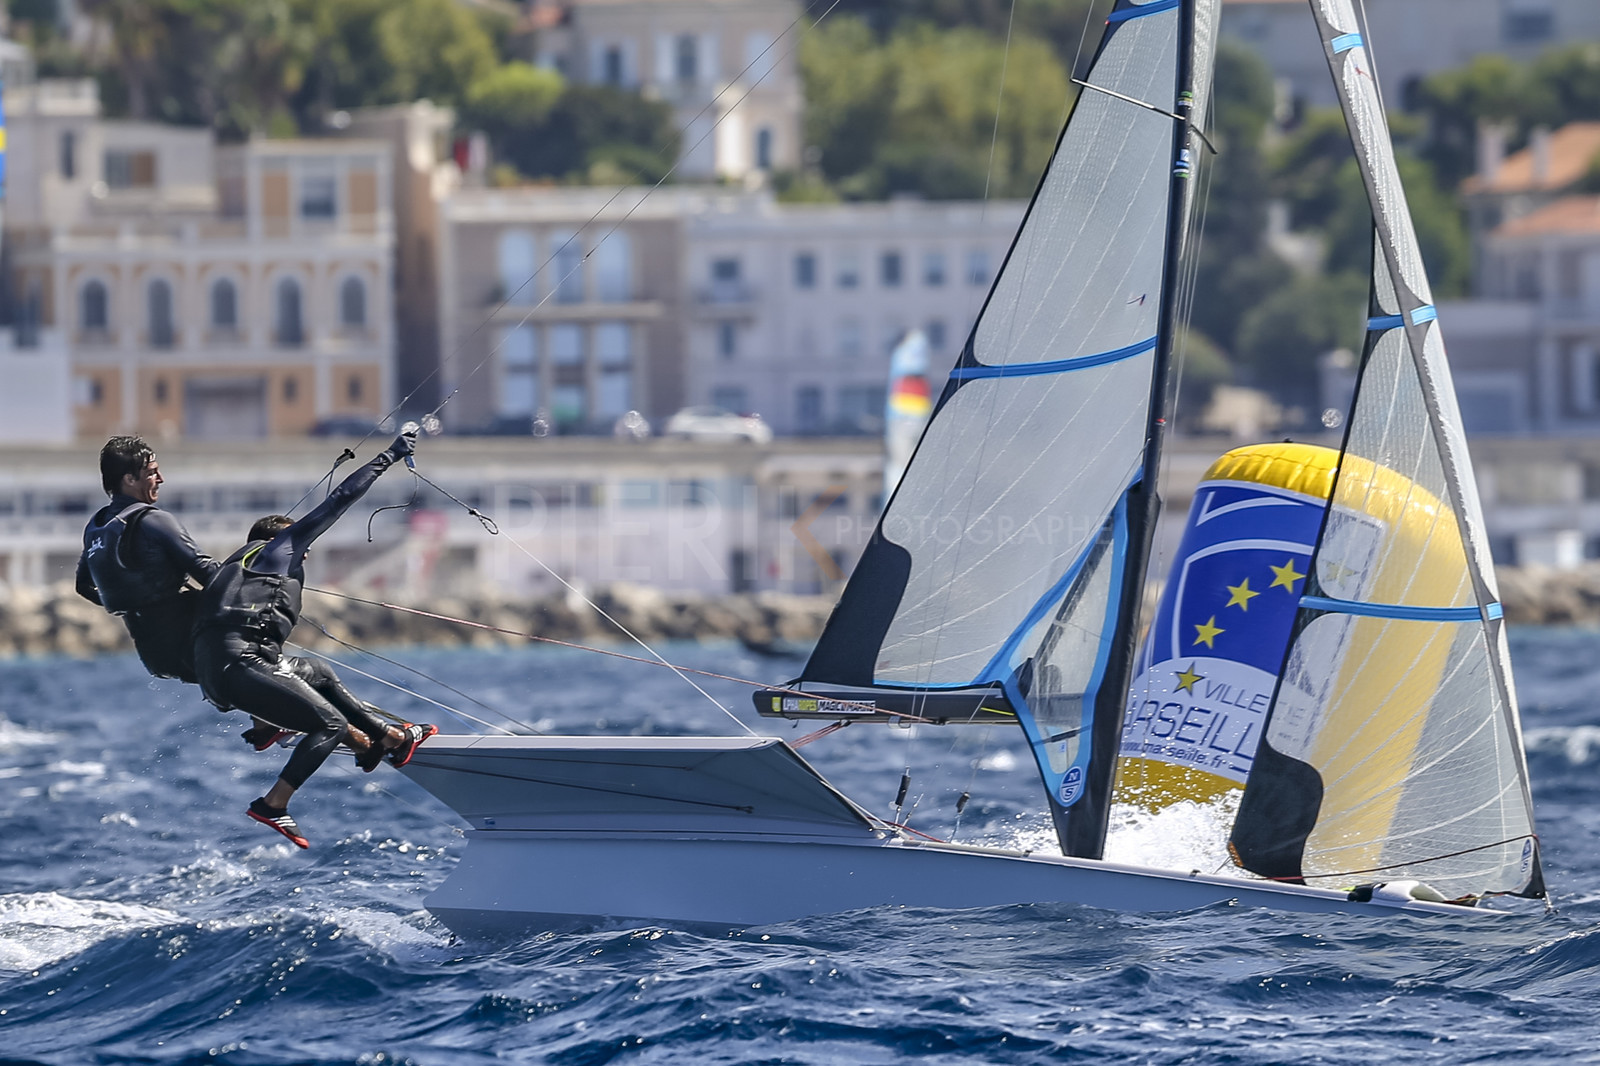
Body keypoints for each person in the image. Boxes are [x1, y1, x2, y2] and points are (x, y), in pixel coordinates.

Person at [192, 431, 435, 849]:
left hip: (222, 672)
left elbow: (217, 634)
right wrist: (389, 456)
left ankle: (388, 738)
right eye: (298, 543)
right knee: (330, 723)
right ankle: (273, 803)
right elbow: (339, 498)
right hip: (242, 667)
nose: (303, 552)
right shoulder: (277, 550)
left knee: (318, 672)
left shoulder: (228, 568)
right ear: (277, 540)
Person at [76, 436, 290, 752]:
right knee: (261, 641)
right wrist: (260, 581)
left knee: (239, 659)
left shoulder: (95, 527)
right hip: (192, 645)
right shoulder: (154, 521)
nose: (160, 479)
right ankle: (295, 718)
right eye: (152, 472)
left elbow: (84, 587)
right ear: (129, 479)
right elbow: (210, 575)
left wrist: (131, 601)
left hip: (155, 655)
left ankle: (264, 723)